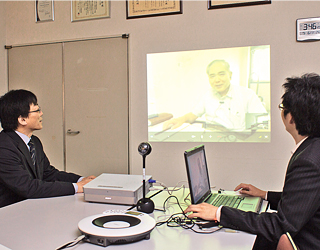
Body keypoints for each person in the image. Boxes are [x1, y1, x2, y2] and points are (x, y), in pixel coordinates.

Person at [184, 73, 320, 249]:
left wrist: (218, 212)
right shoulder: (313, 148)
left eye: (282, 107)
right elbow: (303, 200)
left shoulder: (309, 161)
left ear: (291, 117)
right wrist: (265, 195)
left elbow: (279, 225)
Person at [0, 89, 96, 208]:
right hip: (9, 212)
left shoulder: (34, 141)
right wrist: (76, 187)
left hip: (31, 206)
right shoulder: (4, 147)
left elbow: (48, 174)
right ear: (22, 119)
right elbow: (27, 187)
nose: (41, 114)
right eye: (37, 110)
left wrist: (81, 180)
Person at [163, 60, 268, 131]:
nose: (217, 80)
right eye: (212, 76)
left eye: (221, 74)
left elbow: (261, 123)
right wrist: (179, 120)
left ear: (230, 75)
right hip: (212, 140)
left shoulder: (247, 94)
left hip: (238, 141)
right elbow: (193, 115)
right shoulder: (207, 95)